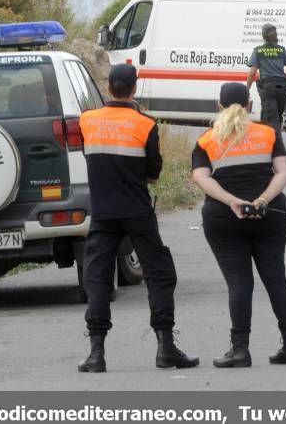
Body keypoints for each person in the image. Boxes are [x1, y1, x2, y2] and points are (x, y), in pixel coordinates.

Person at [77, 64, 199, 373]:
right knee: (159, 273)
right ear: (134, 88)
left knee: (97, 277)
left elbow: (88, 157)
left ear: (108, 87)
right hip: (137, 211)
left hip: (103, 213)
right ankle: (165, 347)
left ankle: (96, 354)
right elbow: (154, 172)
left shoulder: (87, 121)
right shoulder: (145, 124)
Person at [191, 82, 286, 367]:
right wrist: (263, 199)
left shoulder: (206, 140)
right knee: (275, 277)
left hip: (224, 219)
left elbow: (202, 178)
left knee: (239, 283)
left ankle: (240, 350)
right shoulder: (267, 133)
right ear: (250, 106)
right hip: (270, 215)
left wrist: (233, 202)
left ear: (219, 107)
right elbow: (284, 171)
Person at [246, 24, 286, 132]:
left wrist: (246, 90)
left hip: (268, 87)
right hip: (282, 88)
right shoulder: (282, 51)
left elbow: (252, 73)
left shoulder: (258, 51)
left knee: (270, 117)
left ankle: (272, 141)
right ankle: (275, 137)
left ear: (263, 36)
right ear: (275, 36)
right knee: (278, 116)